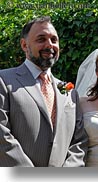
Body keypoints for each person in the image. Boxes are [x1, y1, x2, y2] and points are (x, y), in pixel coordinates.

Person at [0, 16, 88, 167]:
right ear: (24, 45)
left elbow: (79, 141)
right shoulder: (3, 80)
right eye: (41, 39)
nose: (49, 45)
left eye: (54, 40)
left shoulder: (70, 92)